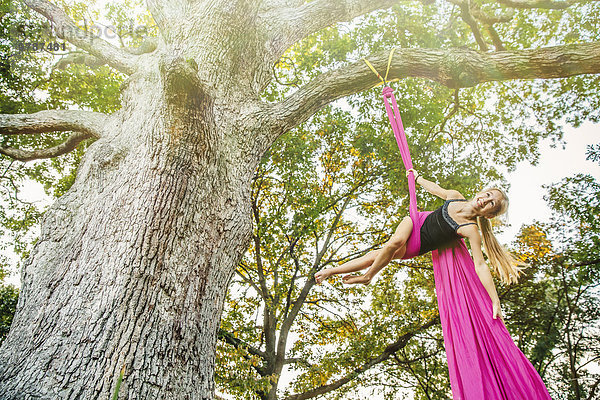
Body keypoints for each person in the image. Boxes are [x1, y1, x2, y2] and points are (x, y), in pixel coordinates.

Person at [314, 169, 524, 320]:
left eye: (491, 204)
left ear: (489, 214)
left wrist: (495, 299)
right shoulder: (456, 197)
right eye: (488, 195)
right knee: (394, 242)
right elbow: (437, 190)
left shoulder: (470, 229)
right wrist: (417, 177)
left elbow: (480, 265)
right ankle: (367, 276)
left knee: (377, 254)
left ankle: (339, 272)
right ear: (482, 191)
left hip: (417, 245)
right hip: (416, 220)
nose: (485, 200)